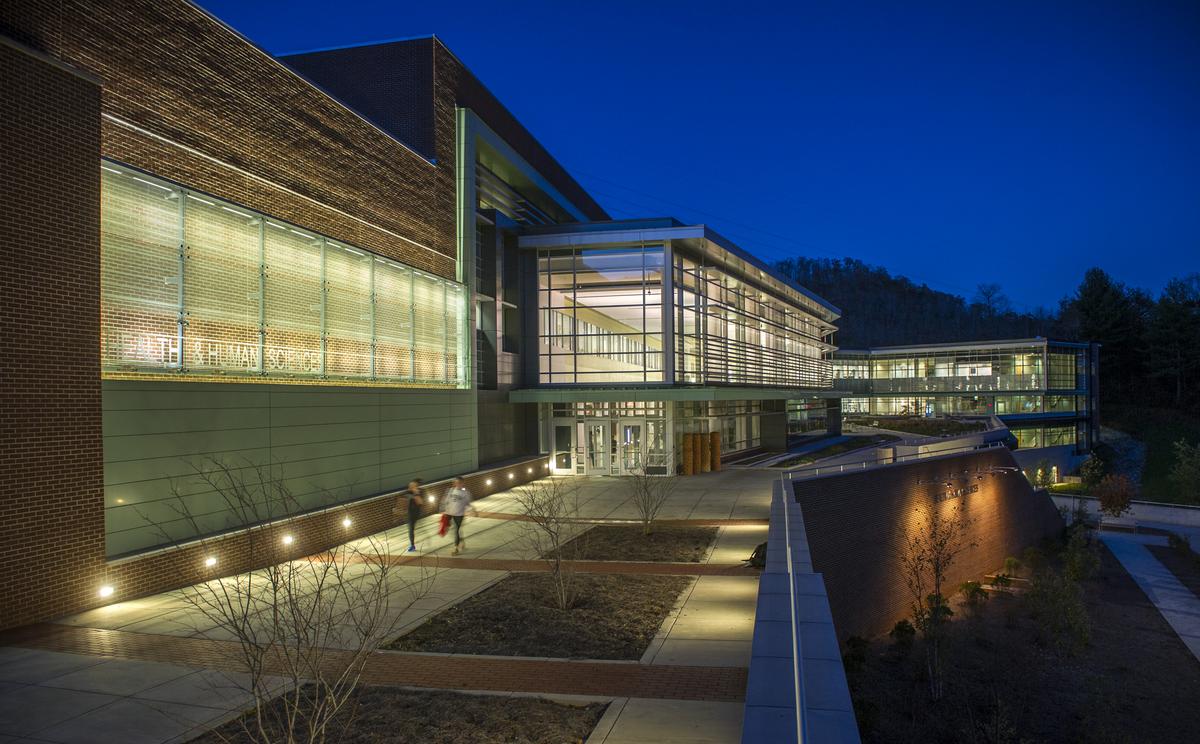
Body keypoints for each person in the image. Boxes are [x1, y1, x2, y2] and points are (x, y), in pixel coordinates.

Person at [441, 477, 476, 555]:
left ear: (463, 483)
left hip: (459, 514)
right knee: (451, 530)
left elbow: (468, 503)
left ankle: (456, 548)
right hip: (449, 513)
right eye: (456, 482)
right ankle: (461, 539)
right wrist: (443, 510)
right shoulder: (450, 491)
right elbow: (446, 501)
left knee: (456, 530)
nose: (458, 484)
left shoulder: (465, 493)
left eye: (460, 483)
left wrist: (472, 510)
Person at [397, 479, 424, 552]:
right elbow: (405, 497)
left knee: (411, 529)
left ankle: (412, 545)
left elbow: (420, 502)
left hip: (416, 513)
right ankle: (412, 545)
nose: (411, 487)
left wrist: (416, 494)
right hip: (409, 513)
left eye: (413, 486)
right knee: (411, 529)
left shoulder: (419, 492)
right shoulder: (408, 492)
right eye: (410, 486)